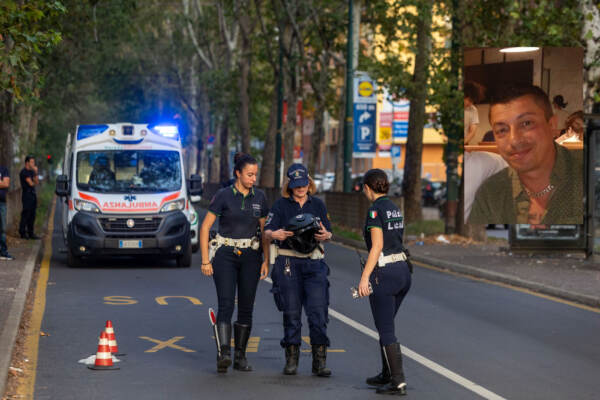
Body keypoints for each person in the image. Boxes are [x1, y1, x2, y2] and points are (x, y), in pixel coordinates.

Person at [469, 84, 583, 224]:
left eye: (526, 123)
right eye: (502, 130)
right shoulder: (491, 193)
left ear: (552, 125)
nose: (514, 140)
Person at [199, 152, 269, 373]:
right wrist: (205, 260)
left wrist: (267, 259)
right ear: (237, 173)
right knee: (226, 303)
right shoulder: (223, 195)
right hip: (225, 254)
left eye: (255, 175)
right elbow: (205, 227)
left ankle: (240, 356)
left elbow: (265, 231)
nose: (253, 179)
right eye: (249, 174)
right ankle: (224, 353)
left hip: (251, 255)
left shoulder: (260, 197)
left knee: (247, 306)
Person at [264, 164, 333, 377]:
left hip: (314, 263)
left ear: (308, 182)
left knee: (318, 312)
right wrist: (275, 234)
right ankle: (291, 358)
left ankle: (319, 361)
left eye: (303, 184)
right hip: (289, 263)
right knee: (292, 312)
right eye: (296, 185)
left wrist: (326, 236)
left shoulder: (318, 205)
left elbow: (329, 232)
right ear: (289, 186)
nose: (300, 188)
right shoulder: (280, 205)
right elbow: (267, 232)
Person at [357, 169, 411, 396]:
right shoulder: (394, 207)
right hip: (403, 270)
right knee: (385, 323)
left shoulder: (374, 211)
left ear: (367, 188)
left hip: (385, 272)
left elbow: (377, 245)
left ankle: (397, 381)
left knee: (386, 328)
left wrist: (364, 277)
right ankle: (387, 374)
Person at [19, 155, 39, 240]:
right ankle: (22, 232)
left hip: (33, 195)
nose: (33, 164)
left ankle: (31, 233)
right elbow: (31, 183)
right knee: (26, 214)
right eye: (32, 162)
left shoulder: (31, 172)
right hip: (26, 195)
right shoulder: (24, 172)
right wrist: (34, 180)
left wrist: (35, 173)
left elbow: (36, 182)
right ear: (27, 163)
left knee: (32, 215)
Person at [0, 163, 14, 260]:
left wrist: (3, 183)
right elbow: (3, 183)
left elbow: (6, 183)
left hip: (1, 203)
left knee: (2, 228)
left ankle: (3, 251)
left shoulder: (3, 169)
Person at [464, 81, 483, 145]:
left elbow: (472, 132)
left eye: (473, 101)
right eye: (469, 100)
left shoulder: (473, 110)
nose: (470, 104)